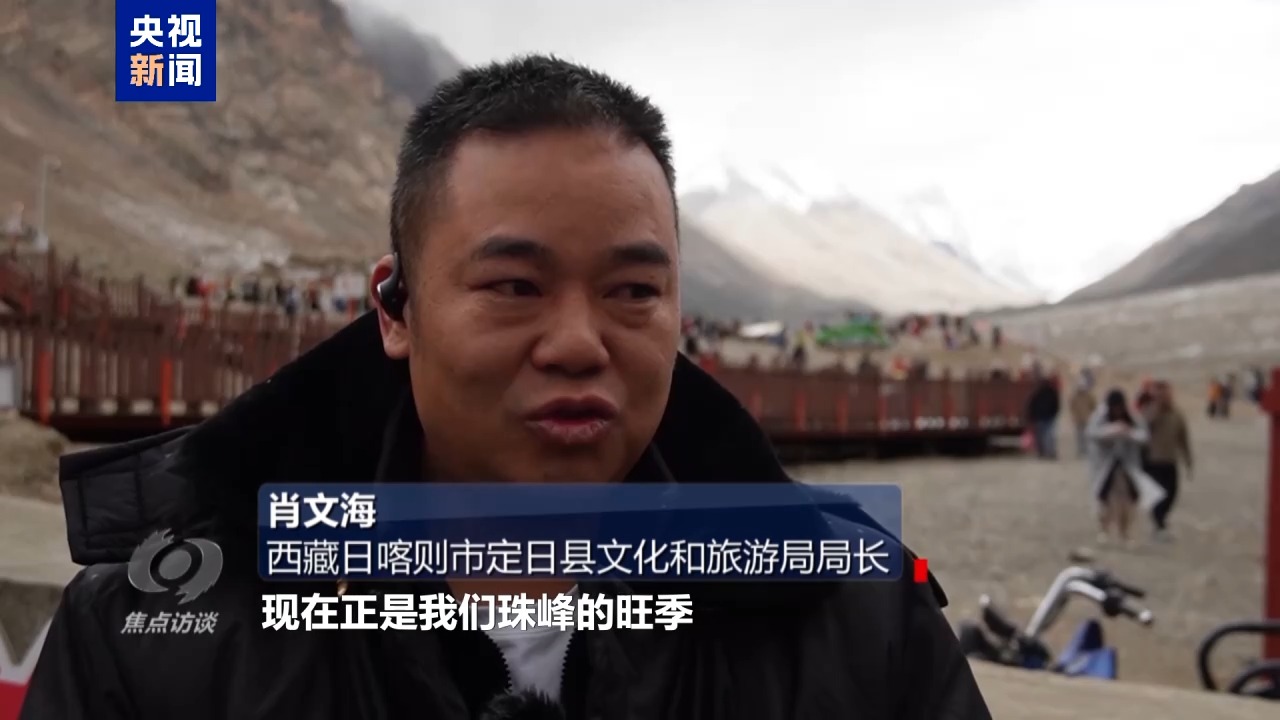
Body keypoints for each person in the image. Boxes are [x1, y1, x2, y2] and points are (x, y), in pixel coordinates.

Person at [21, 55, 989, 720]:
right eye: (514, 286)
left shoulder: (856, 616)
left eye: (632, 292)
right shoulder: (155, 628)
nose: (577, 343)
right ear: (396, 309)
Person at [1086, 389, 1166, 546]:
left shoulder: (1132, 416)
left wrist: (1128, 433)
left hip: (1128, 466)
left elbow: (1144, 436)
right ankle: (1104, 530)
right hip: (1105, 466)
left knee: (1127, 502)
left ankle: (1125, 532)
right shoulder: (1100, 416)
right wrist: (1111, 430)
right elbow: (1092, 433)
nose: (1117, 411)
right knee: (1105, 501)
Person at [1142, 381, 1192, 541]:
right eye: (1161, 394)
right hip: (1153, 461)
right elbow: (1143, 426)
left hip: (1170, 461)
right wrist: (1157, 407)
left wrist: (1188, 461)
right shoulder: (1150, 411)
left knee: (1172, 494)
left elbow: (1183, 439)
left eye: (1167, 394)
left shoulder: (1177, 415)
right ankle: (1159, 525)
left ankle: (1161, 522)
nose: (1165, 397)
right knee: (1158, 495)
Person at [1025, 374, 1061, 459]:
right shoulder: (1051, 392)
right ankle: (1049, 452)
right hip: (1047, 417)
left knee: (1041, 436)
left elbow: (1031, 405)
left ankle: (1043, 452)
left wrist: (1031, 416)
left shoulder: (1037, 393)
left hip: (1041, 417)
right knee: (1048, 436)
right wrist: (1054, 413)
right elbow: (1056, 405)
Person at [1068, 377, 1097, 458]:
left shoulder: (1089, 396)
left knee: (1087, 436)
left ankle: (1087, 451)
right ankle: (1081, 450)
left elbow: (1093, 406)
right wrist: (1074, 415)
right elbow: (1072, 406)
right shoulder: (1074, 396)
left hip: (1087, 419)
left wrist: (1091, 415)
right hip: (1078, 419)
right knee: (1079, 436)